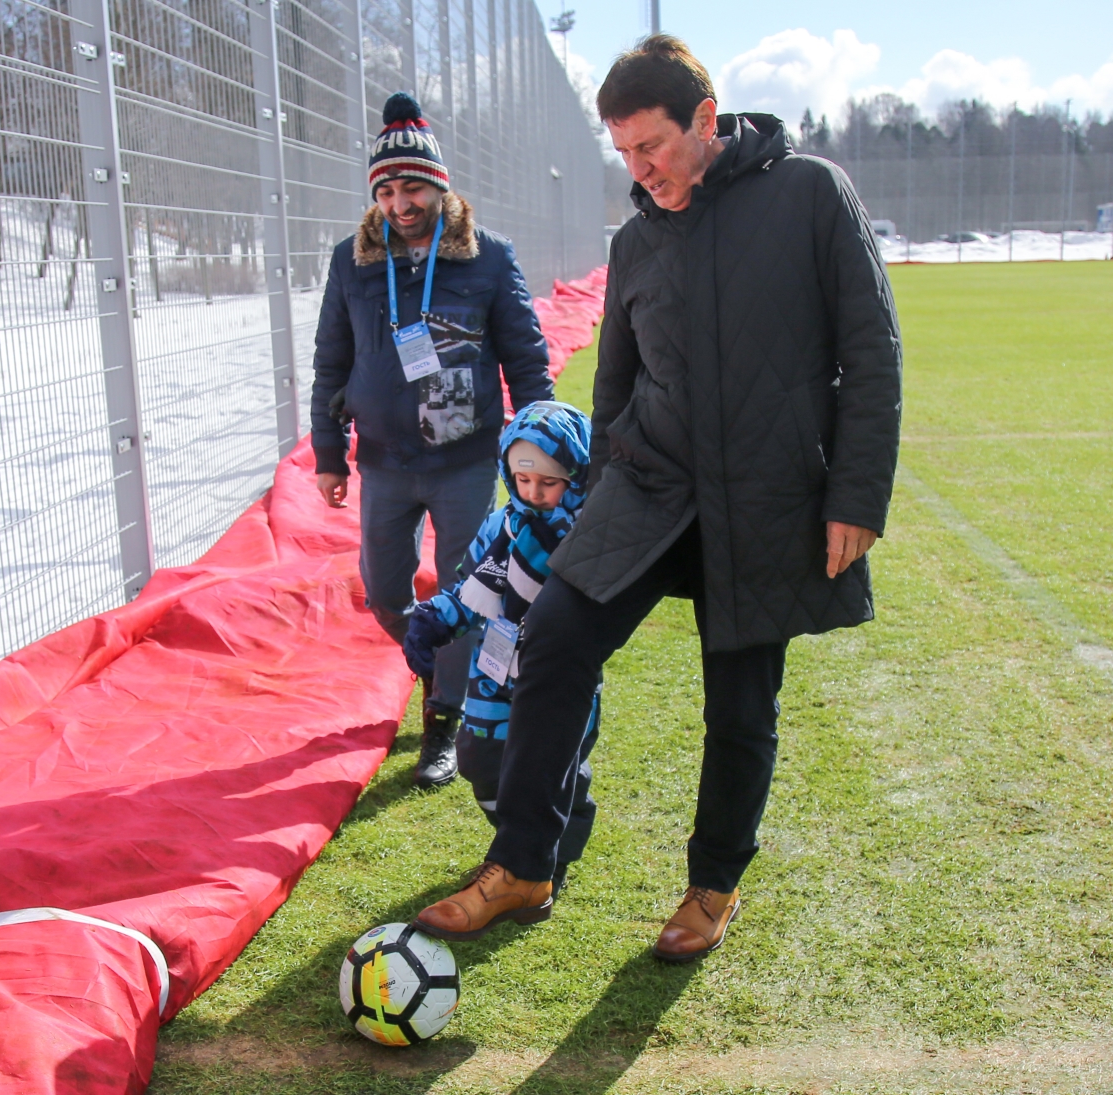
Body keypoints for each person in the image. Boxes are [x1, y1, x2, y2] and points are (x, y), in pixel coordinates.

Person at [413, 35, 902, 958]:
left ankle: (712, 886)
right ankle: (523, 862)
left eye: (652, 149)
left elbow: (871, 352)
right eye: (624, 154)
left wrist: (856, 494)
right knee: (552, 635)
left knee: (741, 701)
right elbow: (614, 386)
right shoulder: (636, 237)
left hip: (765, 495)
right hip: (649, 485)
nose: (639, 172)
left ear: (705, 123)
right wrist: (592, 494)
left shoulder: (809, 194)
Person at [309, 91, 554, 788]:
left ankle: (444, 718)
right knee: (386, 592)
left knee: (463, 588)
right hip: (384, 460)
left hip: (465, 459)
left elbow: (527, 359)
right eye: (386, 188)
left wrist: (542, 446)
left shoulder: (488, 258)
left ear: (440, 187)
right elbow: (331, 360)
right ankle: (444, 666)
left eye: (412, 185)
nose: (398, 201)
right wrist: (329, 454)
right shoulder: (351, 262)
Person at [403, 402, 599, 915]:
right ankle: (519, 843)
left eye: (549, 483)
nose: (533, 493)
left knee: (554, 771)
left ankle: (545, 857)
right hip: (493, 676)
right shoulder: (501, 528)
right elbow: (469, 590)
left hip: (557, 680)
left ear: (576, 475)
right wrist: (434, 620)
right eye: (522, 478)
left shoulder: (588, 533)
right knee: (482, 764)